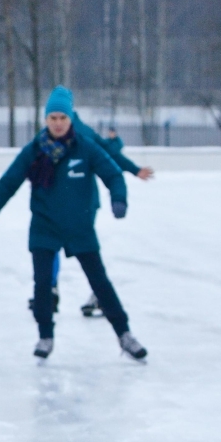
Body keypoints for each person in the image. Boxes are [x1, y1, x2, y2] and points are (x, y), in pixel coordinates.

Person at [0, 86, 147, 362]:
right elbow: (9, 183)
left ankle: (125, 334)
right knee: (42, 285)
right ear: (45, 120)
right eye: (52, 118)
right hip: (45, 226)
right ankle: (45, 335)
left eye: (62, 118)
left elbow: (113, 174)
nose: (57, 123)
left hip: (80, 227)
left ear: (70, 119)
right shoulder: (35, 150)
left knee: (99, 282)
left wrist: (119, 199)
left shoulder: (85, 148)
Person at [78, 125, 155, 317]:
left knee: (87, 252)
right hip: (53, 204)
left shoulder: (82, 131)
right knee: (47, 248)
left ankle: (99, 294)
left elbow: (109, 155)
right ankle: (48, 291)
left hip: (83, 203)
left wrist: (134, 170)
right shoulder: (46, 137)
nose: (58, 121)